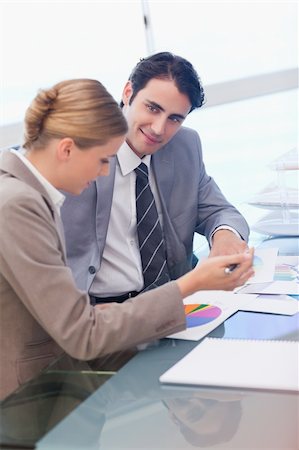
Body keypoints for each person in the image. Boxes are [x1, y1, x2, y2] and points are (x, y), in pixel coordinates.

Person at [0, 78, 254, 400]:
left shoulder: (28, 194)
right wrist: (192, 283)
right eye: (103, 160)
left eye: (176, 117)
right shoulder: (18, 204)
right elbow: (83, 332)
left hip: (84, 361)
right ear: (66, 149)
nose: (105, 172)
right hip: (36, 391)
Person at [61, 52, 250, 304]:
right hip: (101, 311)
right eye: (153, 108)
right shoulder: (80, 151)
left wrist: (225, 235)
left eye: (174, 118)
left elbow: (219, 210)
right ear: (128, 93)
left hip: (177, 300)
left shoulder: (185, 145)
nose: (159, 129)